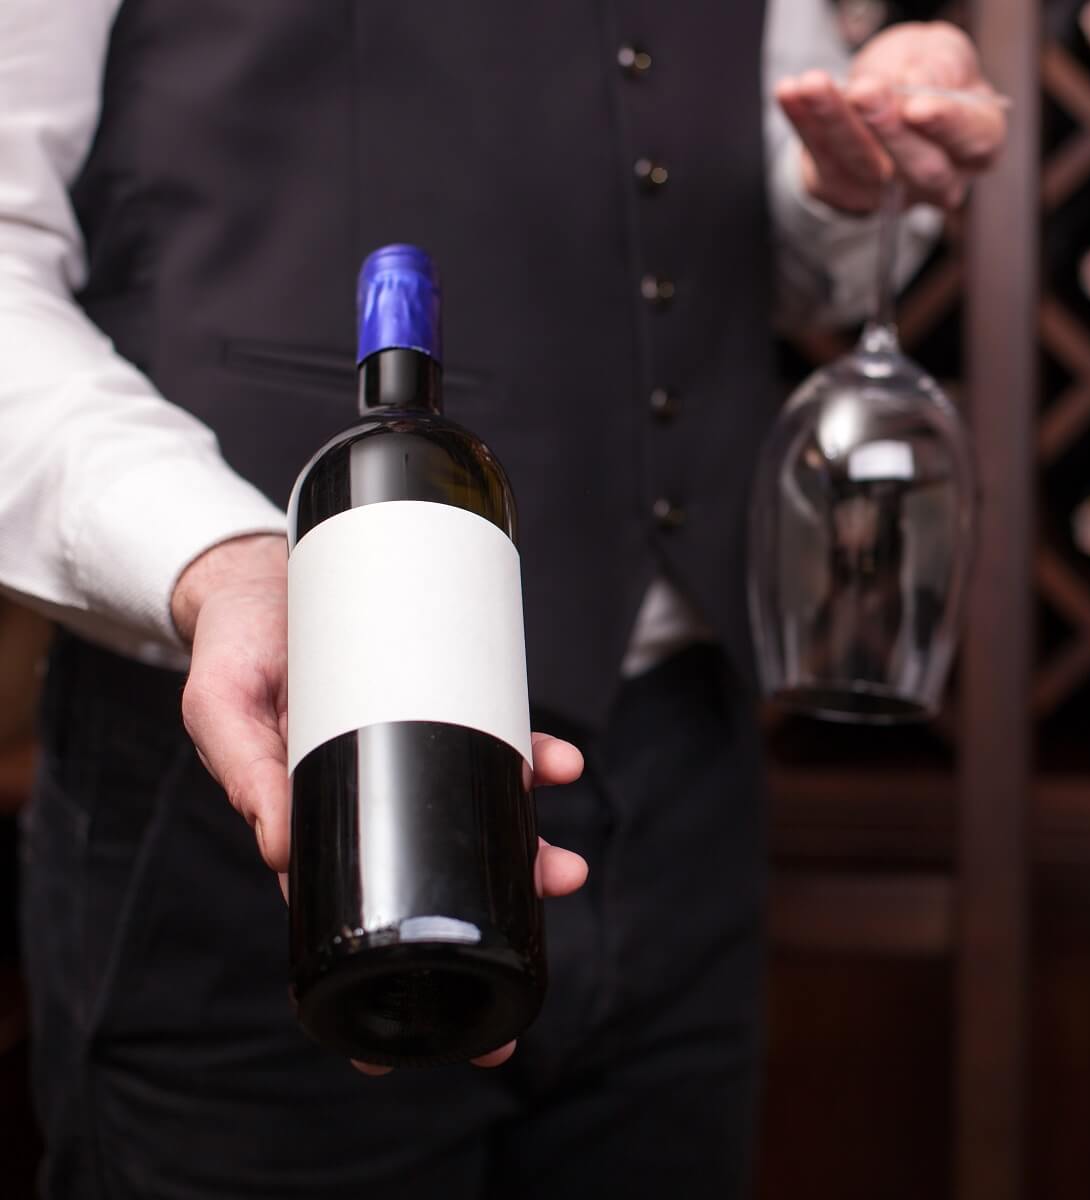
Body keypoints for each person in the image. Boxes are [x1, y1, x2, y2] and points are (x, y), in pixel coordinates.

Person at [0, 0, 1005, 1194]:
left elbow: (775, 240)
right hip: (276, 763)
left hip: (684, 769)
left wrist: (852, 165)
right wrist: (222, 557)